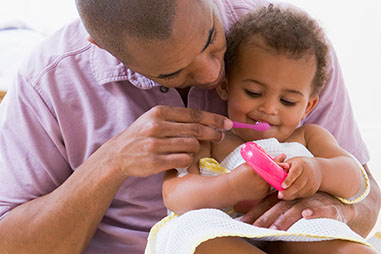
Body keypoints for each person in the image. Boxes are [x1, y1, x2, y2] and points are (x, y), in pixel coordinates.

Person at [0, 0, 379, 253]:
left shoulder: (291, 50)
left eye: (213, 41)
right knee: (198, 235)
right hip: (200, 240)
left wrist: (328, 203)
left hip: (289, 238)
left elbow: (365, 195)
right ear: (103, 46)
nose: (215, 75)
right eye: (173, 70)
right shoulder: (48, 82)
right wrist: (111, 163)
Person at [147, 5, 374, 253]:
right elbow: (174, 194)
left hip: (293, 228)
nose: (269, 109)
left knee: (336, 238)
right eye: (253, 93)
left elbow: (356, 182)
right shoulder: (211, 138)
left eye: (287, 101)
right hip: (225, 229)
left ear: (308, 106)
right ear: (225, 87)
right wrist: (230, 186)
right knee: (190, 231)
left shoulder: (310, 137)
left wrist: (319, 171)